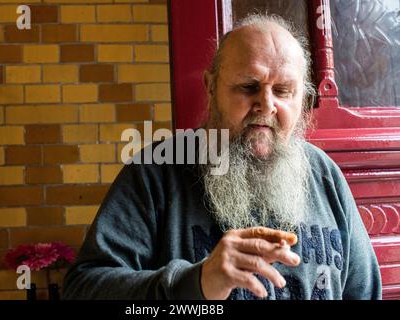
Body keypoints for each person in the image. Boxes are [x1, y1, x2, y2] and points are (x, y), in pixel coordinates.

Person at [62, 13, 382, 300]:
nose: (266, 105)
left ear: (304, 99)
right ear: (211, 86)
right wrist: (195, 282)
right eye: (248, 87)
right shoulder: (156, 171)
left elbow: (365, 292)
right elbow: (83, 289)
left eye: (283, 90)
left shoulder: (326, 175)